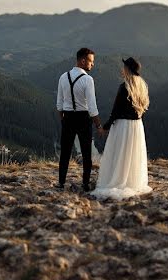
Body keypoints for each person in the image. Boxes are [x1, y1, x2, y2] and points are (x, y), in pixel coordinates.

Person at [91, 56, 152, 200]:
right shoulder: (142, 86)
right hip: (136, 126)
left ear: (128, 69)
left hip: (123, 126)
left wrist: (104, 127)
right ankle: (131, 181)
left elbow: (116, 110)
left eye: (124, 67)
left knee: (119, 153)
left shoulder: (124, 86)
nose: (122, 69)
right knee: (132, 154)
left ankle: (118, 180)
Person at [56, 47, 105, 191]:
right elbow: (92, 107)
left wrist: (63, 120)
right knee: (86, 153)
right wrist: (98, 126)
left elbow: (59, 104)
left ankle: (61, 182)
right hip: (83, 118)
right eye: (91, 61)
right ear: (83, 61)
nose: (92, 64)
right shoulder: (88, 80)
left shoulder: (63, 77)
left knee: (65, 152)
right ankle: (85, 183)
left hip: (67, 117)